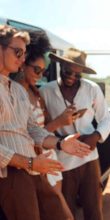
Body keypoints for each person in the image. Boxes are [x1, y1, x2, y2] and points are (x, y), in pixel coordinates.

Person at [0, 25, 91, 220]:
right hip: (11, 173)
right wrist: (30, 162)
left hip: (33, 167)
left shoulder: (17, 90)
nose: (22, 58)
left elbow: (33, 129)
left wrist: (60, 143)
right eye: (17, 52)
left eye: (24, 54)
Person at [40, 47, 110, 220]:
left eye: (77, 75)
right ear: (60, 66)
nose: (72, 77)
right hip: (63, 161)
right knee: (66, 212)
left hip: (89, 159)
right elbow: (40, 128)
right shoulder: (45, 92)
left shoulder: (92, 89)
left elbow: (106, 119)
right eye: (68, 72)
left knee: (94, 210)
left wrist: (96, 136)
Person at [13, 30, 74, 220]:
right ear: (23, 65)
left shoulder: (34, 92)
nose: (40, 75)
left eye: (44, 71)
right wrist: (59, 123)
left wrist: (60, 129)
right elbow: (24, 135)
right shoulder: (12, 93)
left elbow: (39, 128)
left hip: (48, 158)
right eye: (36, 70)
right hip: (31, 163)